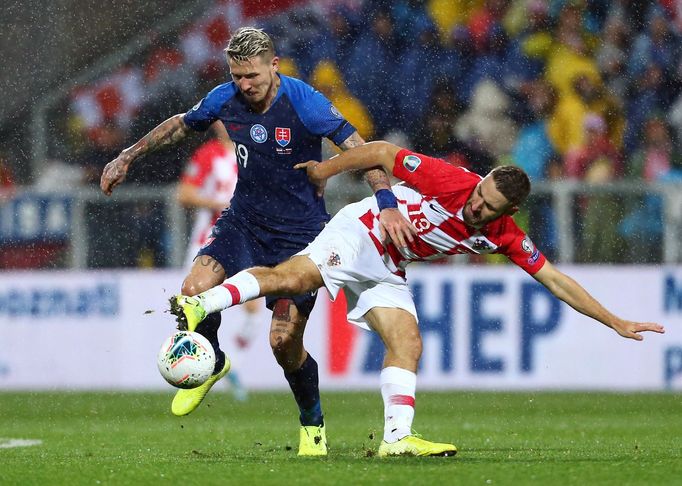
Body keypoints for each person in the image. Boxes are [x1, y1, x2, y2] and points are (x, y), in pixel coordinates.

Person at [170, 140, 665, 457]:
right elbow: (384, 152)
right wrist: (325, 171)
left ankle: (396, 439)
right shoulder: (452, 180)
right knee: (292, 280)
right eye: (478, 195)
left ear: (508, 210)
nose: (475, 205)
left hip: (387, 266)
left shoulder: (505, 235)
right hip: (362, 233)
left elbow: (556, 280)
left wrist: (616, 322)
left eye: (487, 206)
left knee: (407, 341)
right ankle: (203, 305)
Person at [100, 27, 414, 456]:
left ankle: (312, 425)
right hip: (244, 222)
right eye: (237, 76)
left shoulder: (305, 103)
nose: (244, 85)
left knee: (283, 344)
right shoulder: (224, 97)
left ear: (274, 65)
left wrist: (386, 201)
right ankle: (210, 360)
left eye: (252, 76)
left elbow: (364, 149)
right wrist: (126, 156)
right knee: (193, 290)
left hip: (302, 238)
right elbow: (179, 126)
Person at [176, 120, 260, 401]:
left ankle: (226, 362)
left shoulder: (256, 151)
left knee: (253, 307)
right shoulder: (209, 153)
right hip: (209, 239)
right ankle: (202, 365)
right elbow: (184, 193)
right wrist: (218, 203)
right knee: (197, 302)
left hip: (247, 238)